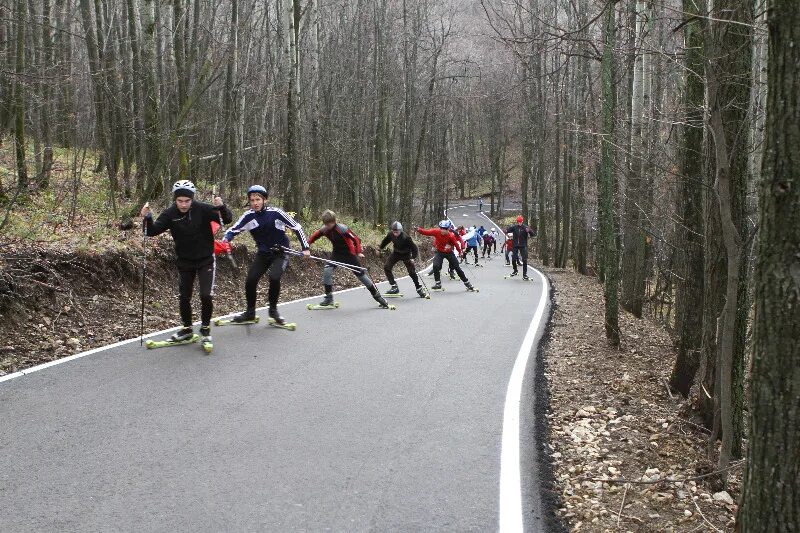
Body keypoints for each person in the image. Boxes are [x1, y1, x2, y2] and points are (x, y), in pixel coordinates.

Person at [140, 180, 233, 349]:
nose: (183, 204)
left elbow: (226, 219)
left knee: (206, 295)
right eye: (180, 201)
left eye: (187, 201)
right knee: (184, 296)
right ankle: (187, 329)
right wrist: (147, 217)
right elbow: (151, 231)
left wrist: (221, 207)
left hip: (205, 259)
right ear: (175, 199)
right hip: (184, 260)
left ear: (192, 199)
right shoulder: (170, 214)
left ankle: (205, 329)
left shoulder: (203, 209)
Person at [221, 185, 310, 325]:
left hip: (281, 252)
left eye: (258, 199)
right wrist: (226, 240)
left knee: (274, 277)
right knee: (251, 280)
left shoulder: (276, 213)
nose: (255, 203)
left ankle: (273, 311)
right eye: (252, 200)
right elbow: (233, 230)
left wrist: (305, 248)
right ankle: (250, 313)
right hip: (263, 253)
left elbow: (297, 227)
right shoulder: (248, 216)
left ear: (265, 200)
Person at [307, 210, 391, 308]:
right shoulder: (324, 230)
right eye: (326, 224)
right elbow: (313, 237)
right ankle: (329, 298)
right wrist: (306, 246)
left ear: (334, 221)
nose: (328, 225)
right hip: (337, 254)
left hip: (349, 254)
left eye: (329, 223)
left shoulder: (342, 229)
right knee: (327, 270)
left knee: (361, 275)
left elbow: (355, 238)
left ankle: (378, 297)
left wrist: (359, 252)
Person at [414, 220, 476, 292]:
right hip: (440, 252)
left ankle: (467, 283)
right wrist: (418, 229)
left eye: (445, 229)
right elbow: (426, 232)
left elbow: (456, 244)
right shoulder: (436, 231)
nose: (443, 230)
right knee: (436, 266)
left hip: (449, 253)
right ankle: (438, 284)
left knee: (457, 268)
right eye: (442, 228)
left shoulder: (451, 236)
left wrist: (460, 252)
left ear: (448, 229)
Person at [380, 221, 427, 298]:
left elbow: (414, 248)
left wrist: (413, 257)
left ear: (400, 230)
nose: (395, 233)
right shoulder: (391, 234)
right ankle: (394, 286)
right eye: (394, 232)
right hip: (396, 253)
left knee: (412, 272)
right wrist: (380, 248)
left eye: (397, 232)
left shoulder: (406, 238)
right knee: (387, 267)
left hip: (406, 255)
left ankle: (419, 288)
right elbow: (386, 241)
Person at [506, 215, 537, 280]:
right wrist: (506, 229)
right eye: (518, 222)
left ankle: (525, 275)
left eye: (520, 222)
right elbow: (507, 230)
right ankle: (515, 271)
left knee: (524, 260)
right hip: (515, 245)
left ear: (522, 221)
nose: (519, 223)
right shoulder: (514, 227)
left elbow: (533, 235)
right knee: (514, 259)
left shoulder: (525, 227)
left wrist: (529, 231)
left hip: (523, 245)